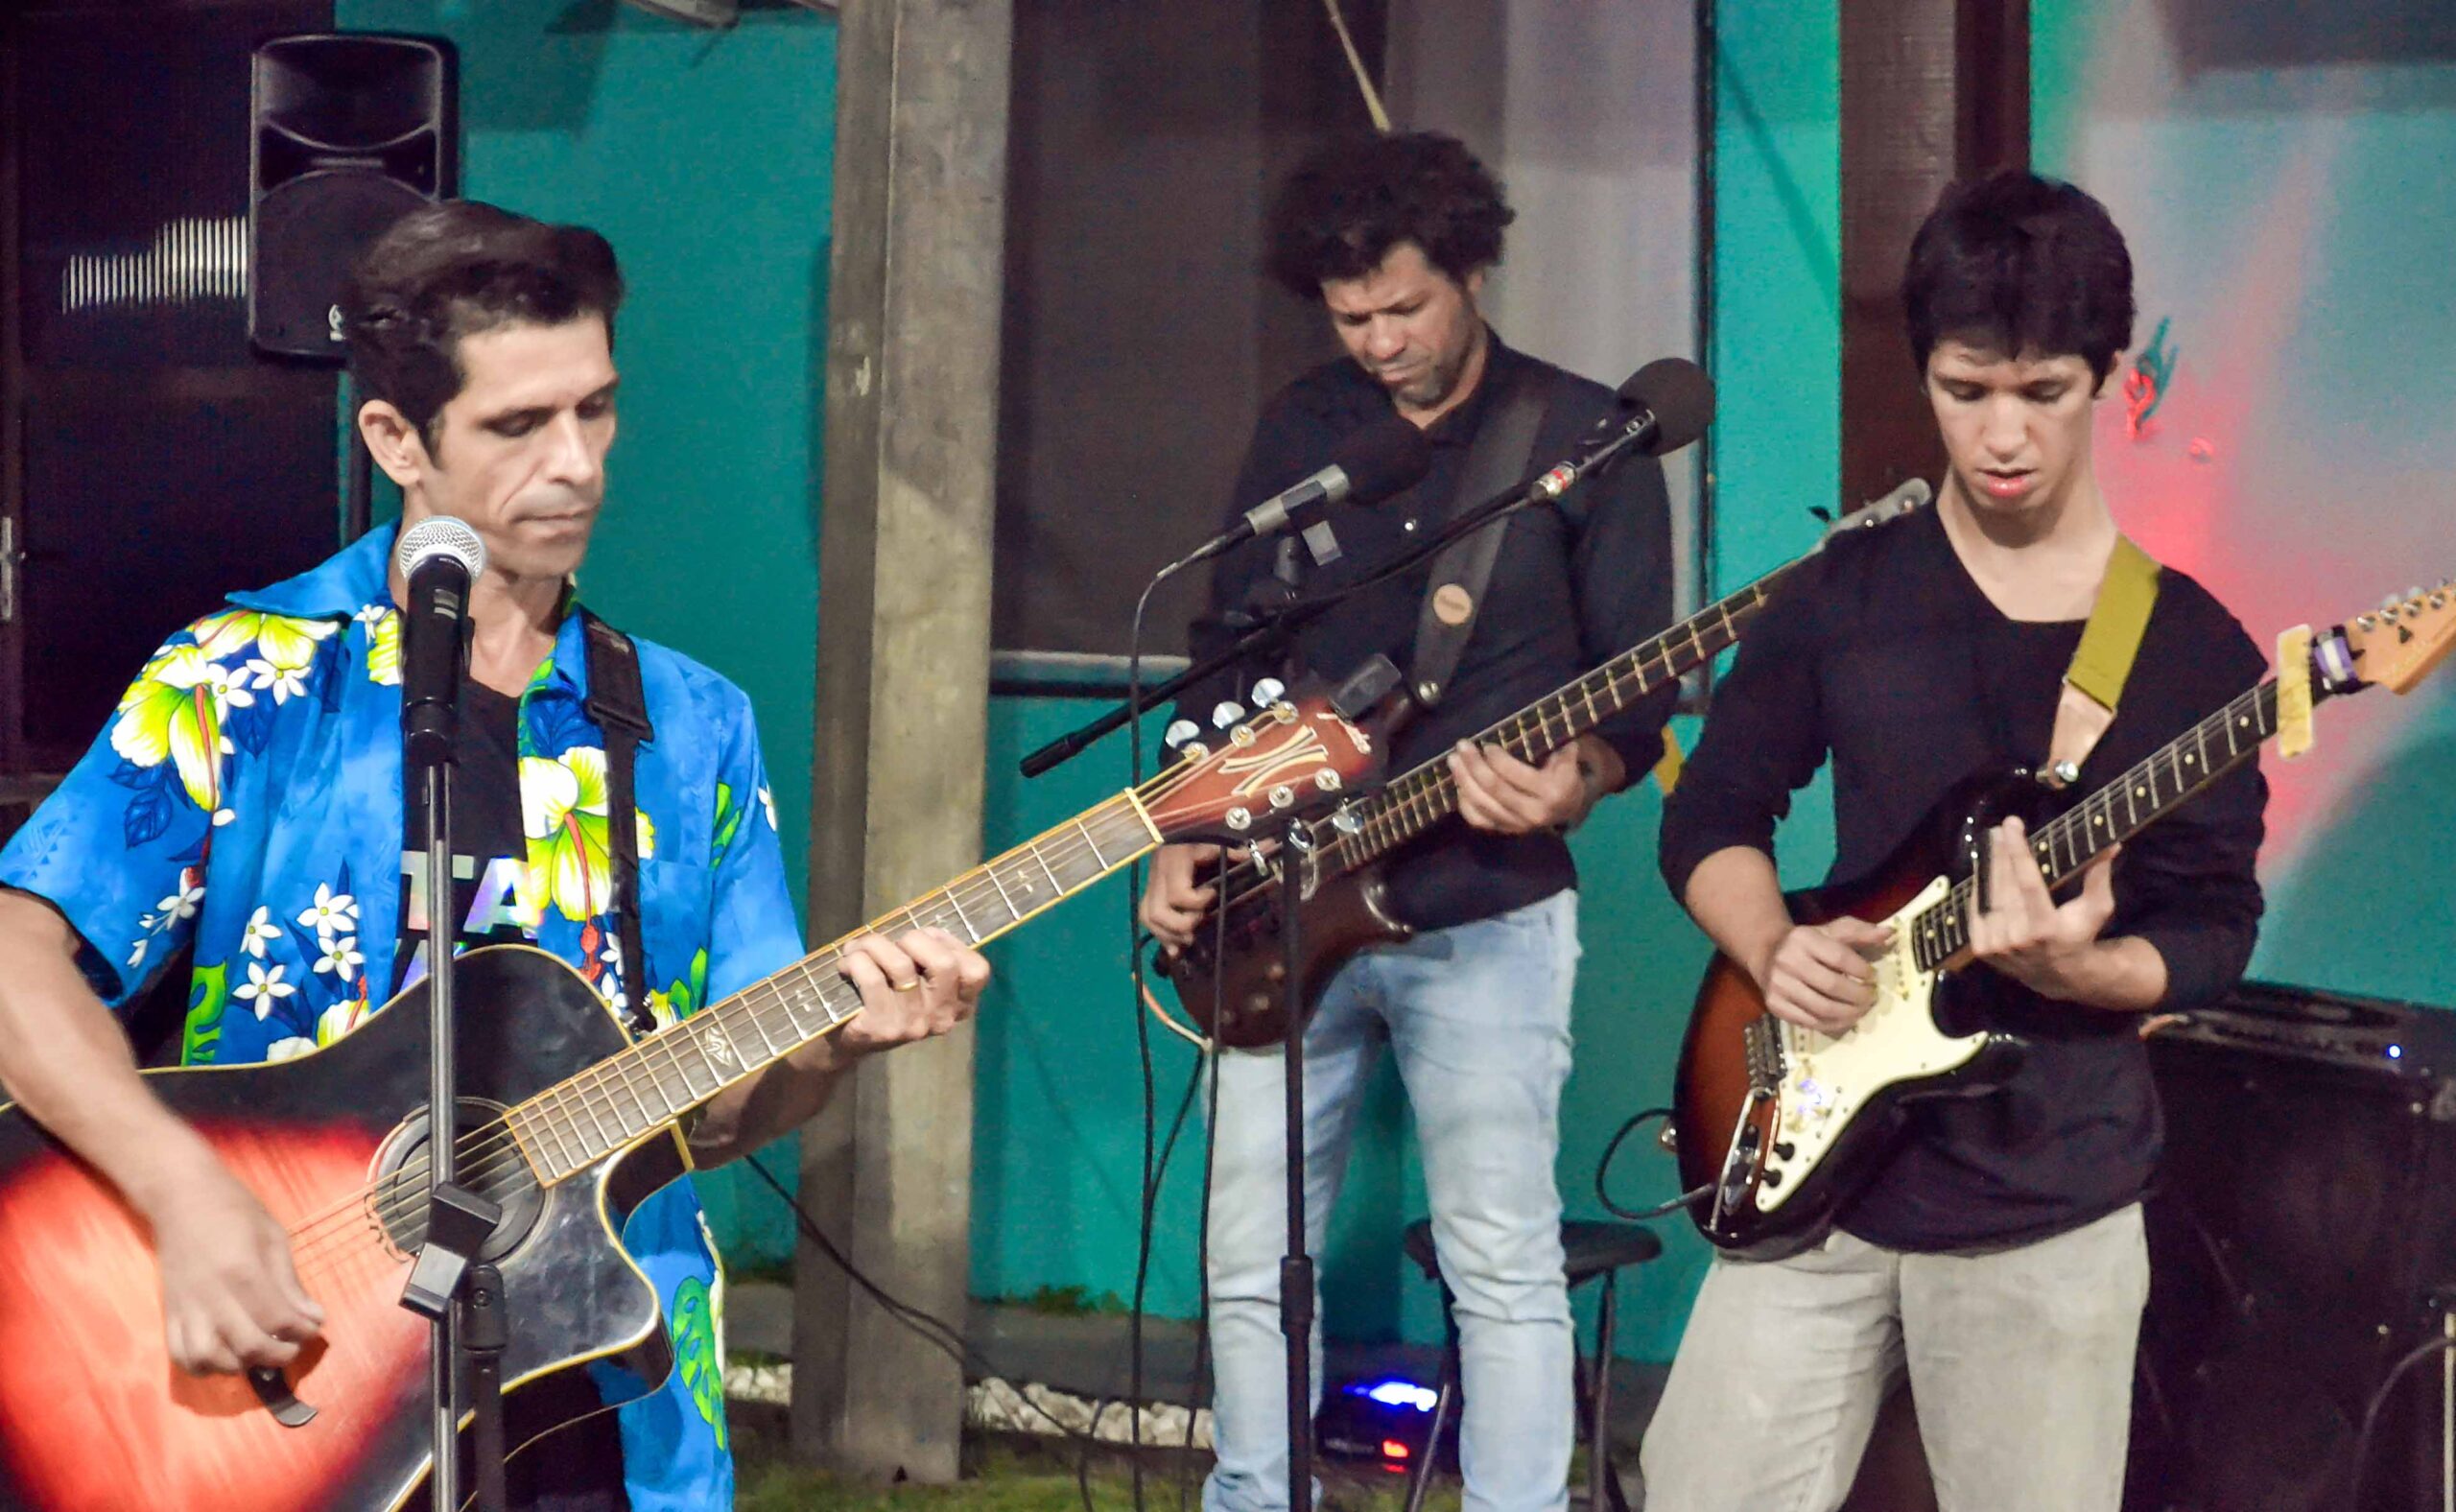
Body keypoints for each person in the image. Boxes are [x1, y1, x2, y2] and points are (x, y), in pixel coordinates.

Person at [0, 201, 987, 1511]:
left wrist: (831, 1047)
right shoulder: (246, 681)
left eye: (597, 409)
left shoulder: (692, 725)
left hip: (605, 1392)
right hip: (300, 1372)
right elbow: (17, 961)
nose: (576, 464)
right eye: (519, 426)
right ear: (395, 440)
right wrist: (182, 1192)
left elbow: (718, 1115)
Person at [1639, 170, 2268, 1512]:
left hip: (2047, 1197)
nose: (2002, 435)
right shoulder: (1844, 595)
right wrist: (1773, 944)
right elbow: (1713, 815)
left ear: (2108, 381)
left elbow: (2216, 924)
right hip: (1812, 1167)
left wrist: (2084, 972)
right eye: (1964, 389)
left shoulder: (2191, 651)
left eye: (2043, 392)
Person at [1140, 130, 1679, 1512]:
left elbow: (1638, 699)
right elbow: (1227, 652)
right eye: (1351, 318)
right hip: (1280, 901)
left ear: (1472, 269)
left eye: (1406, 308)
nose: (1382, 343)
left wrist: (1577, 780)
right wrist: (1187, 828)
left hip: (1483, 908)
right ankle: (1256, 1496)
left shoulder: (1585, 441)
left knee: (1500, 1261)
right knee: (1247, 1254)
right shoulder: (1307, 432)